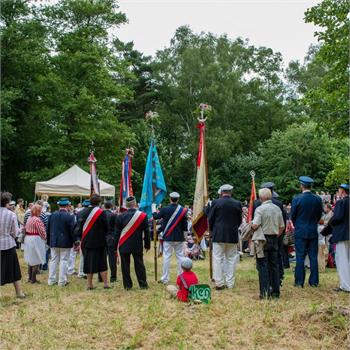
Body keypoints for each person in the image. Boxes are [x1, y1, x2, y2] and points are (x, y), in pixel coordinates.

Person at [252, 188, 285, 299]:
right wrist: (276, 235)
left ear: (260, 198)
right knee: (274, 266)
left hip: (262, 239)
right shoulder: (277, 208)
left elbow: (255, 225)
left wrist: (250, 226)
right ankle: (276, 292)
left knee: (262, 265)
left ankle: (265, 292)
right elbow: (282, 226)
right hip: (274, 238)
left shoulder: (260, 209)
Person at [208, 184, 242, 290]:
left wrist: (213, 229)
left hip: (218, 233)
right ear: (230, 192)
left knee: (218, 259)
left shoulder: (216, 202)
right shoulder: (237, 203)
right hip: (232, 234)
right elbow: (239, 220)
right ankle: (230, 283)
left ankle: (219, 283)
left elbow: (210, 218)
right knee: (231, 259)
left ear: (222, 192)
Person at [291, 176, 323, 288]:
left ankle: (299, 282)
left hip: (300, 230)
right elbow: (319, 215)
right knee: (313, 257)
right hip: (312, 230)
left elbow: (293, 216)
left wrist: (298, 225)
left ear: (301, 186)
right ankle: (314, 282)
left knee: (300, 256)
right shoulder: (317, 199)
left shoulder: (297, 199)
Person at [74, 194, 111, 290]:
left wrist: (78, 239)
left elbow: (78, 229)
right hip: (100, 241)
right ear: (99, 202)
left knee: (88, 263)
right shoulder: (101, 213)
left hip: (86, 241)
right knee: (102, 263)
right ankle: (106, 284)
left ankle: (89, 285)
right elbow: (107, 227)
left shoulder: (80, 213)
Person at [152, 192, 188, 285]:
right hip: (179, 237)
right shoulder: (183, 210)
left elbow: (155, 217)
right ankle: (180, 278)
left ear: (170, 199)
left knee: (166, 257)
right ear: (178, 199)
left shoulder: (165, 209)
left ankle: (165, 278)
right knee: (180, 257)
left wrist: (153, 208)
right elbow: (185, 225)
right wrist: (185, 237)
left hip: (168, 237)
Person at [115, 196, 150, 290]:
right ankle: (143, 284)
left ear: (126, 205)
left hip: (124, 244)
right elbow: (146, 231)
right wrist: (147, 244)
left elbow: (116, 233)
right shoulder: (143, 215)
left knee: (125, 265)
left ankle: (127, 285)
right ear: (135, 204)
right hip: (137, 244)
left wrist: (115, 247)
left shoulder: (120, 216)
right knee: (139, 264)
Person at [0, 192, 25, 298]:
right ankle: (19, 293)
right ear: (8, 202)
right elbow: (15, 233)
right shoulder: (11, 214)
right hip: (8, 245)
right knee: (14, 270)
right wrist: (21, 229)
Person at [47, 198, 76, 287]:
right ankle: (62, 281)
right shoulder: (70, 216)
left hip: (54, 241)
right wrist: (75, 242)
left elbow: (48, 229)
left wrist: (48, 241)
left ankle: (51, 280)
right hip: (65, 242)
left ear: (59, 205)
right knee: (64, 260)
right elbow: (73, 231)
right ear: (67, 206)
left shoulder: (52, 215)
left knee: (53, 260)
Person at [331, 184, 349, 293]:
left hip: (342, 234)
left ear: (342, 192)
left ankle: (345, 285)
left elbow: (337, 218)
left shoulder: (341, 203)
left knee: (342, 260)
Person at [24, 204, 47, 283]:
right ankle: (33, 279)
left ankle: (30, 277)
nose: (41, 212)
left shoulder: (29, 218)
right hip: (35, 239)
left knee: (30, 258)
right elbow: (42, 231)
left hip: (28, 238)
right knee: (36, 258)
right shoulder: (37, 219)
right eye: (40, 211)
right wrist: (45, 238)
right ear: (37, 211)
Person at [104, 200, 117, 283]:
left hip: (102, 238)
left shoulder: (100, 214)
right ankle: (113, 276)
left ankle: (100, 276)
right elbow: (116, 229)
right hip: (111, 238)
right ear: (111, 206)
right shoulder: (113, 215)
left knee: (102, 258)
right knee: (112, 259)